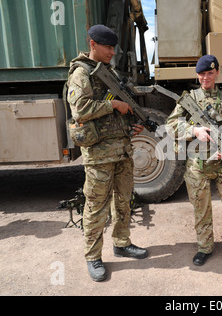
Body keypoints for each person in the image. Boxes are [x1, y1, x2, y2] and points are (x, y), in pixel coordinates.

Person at [65, 24, 148, 282]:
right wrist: (113, 104)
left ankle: (122, 243)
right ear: (93, 44)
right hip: (99, 154)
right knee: (96, 207)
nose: (112, 52)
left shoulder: (109, 72)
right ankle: (93, 257)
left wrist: (132, 125)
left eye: (113, 47)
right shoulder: (81, 73)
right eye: (108, 47)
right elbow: (80, 110)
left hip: (122, 150)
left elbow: (119, 113)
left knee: (123, 202)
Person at [166, 55, 222, 271]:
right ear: (197, 75)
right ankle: (204, 248)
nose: (206, 77)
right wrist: (193, 130)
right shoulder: (189, 99)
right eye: (202, 74)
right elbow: (170, 125)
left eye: (210, 73)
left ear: (217, 73)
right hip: (197, 165)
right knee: (201, 210)